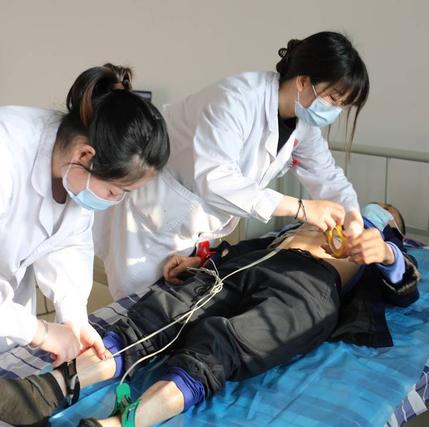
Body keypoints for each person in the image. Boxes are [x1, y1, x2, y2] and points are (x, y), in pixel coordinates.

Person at [0, 203, 419, 427]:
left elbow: (404, 289)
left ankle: (121, 425)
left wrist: (388, 253)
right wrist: (201, 259)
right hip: (250, 264)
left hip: (310, 289)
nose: (375, 210)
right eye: (374, 206)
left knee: (221, 344)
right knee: (159, 313)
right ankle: (42, 392)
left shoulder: (379, 245)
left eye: (387, 213)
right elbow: (243, 245)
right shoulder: (313, 216)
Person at [0, 64, 170, 393]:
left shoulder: (73, 166)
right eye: (116, 192)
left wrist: (74, 316)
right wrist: (39, 332)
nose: (116, 201)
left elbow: (69, 242)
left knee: (3, 378)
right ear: (85, 155)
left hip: (1, 286)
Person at [93, 31, 370, 299]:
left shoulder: (304, 126)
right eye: (333, 99)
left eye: (342, 105)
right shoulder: (236, 99)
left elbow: (328, 176)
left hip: (197, 225)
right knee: (134, 308)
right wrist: (300, 208)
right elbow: (215, 179)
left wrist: (354, 219)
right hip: (152, 217)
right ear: (303, 81)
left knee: (172, 305)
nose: (334, 111)